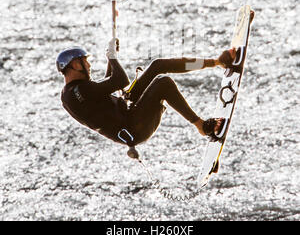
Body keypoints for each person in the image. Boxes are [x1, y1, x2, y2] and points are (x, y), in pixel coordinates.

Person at [56, 40, 236, 154]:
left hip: (128, 111)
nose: (88, 65)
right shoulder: (76, 92)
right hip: (133, 128)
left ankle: (216, 62)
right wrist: (111, 58)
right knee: (163, 83)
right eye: (83, 61)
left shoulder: (77, 90)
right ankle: (201, 126)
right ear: (71, 66)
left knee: (157, 65)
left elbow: (107, 87)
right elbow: (120, 80)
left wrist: (112, 57)